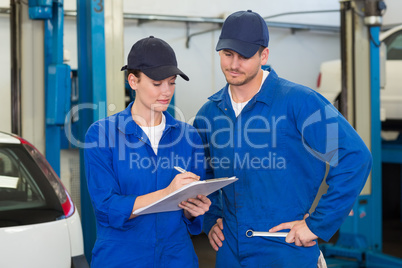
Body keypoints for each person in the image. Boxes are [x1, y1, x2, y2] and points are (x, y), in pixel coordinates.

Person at [193, 10, 372, 267]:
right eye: (227, 54)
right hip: (230, 251)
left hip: (286, 249)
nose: (233, 64)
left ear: (263, 55)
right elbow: (205, 175)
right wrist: (212, 219)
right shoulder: (209, 114)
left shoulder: (300, 103)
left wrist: (317, 224)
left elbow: (354, 157)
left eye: (244, 56)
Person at [84, 36, 211, 267]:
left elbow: (191, 213)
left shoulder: (188, 136)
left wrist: (194, 210)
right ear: (133, 81)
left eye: (172, 82)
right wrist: (167, 193)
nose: (166, 91)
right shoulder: (102, 135)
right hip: (122, 257)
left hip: (177, 257)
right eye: (157, 83)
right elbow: (106, 208)